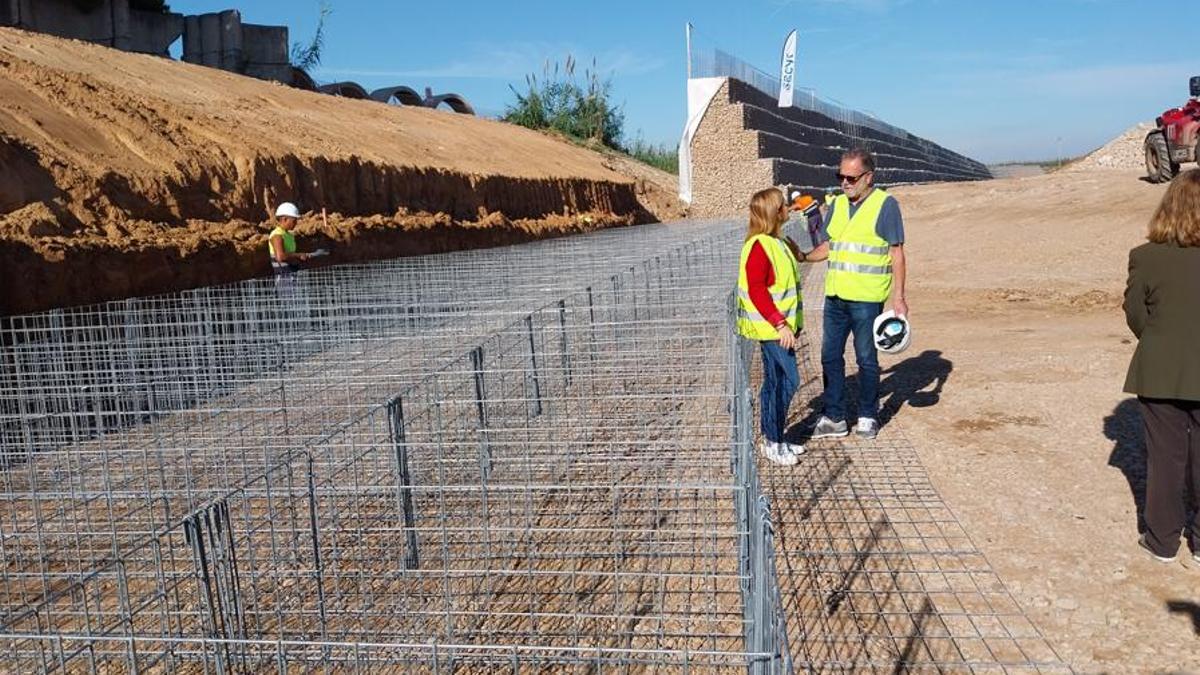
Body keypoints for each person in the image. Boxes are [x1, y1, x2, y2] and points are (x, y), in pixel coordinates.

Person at [799, 148, 907, 440]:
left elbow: (896, 253)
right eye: (840, 176)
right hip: (835, 297)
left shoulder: (885, 205)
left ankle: (868, 415)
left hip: (866, 299)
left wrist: (898, 297)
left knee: (866, 359)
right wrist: (804, 256)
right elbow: (830, 246)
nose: (844, 182)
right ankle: (834, 417)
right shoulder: (837, 205)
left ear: (868, 177)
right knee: (830, 357)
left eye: (850, 177)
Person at [1122, 168, 1200, 564]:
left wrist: (1160, 342)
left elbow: (1135, 315)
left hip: (1160, 369)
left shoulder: (1145, 257)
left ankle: (1161, 540)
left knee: (1165, 458)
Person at [736, 187, 806, 466]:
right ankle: (773, 441)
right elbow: (757, 291)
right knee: (789, 381)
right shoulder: (759, 247)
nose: (788, 208)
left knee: (775, 382)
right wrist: (780, 324)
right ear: (775, 212)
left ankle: (772, 437)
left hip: (777, 328)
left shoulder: (776, 242)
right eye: (784, 205)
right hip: (772, 330)